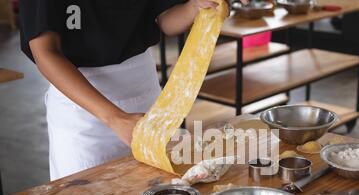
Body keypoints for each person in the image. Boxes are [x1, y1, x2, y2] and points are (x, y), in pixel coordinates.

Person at [20, 0, 245, 181]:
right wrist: (115, 118)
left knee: (154, 190)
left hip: (144, 93)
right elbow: (45, 52)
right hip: (83, 106)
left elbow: (165, 19)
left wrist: (194, 6)